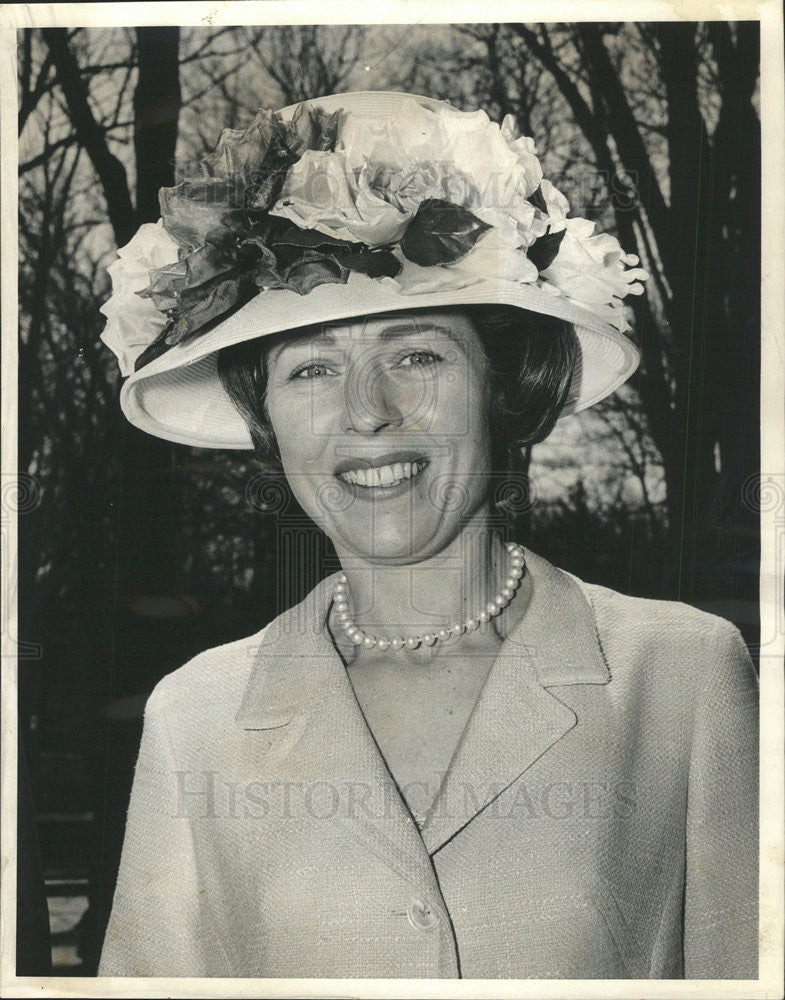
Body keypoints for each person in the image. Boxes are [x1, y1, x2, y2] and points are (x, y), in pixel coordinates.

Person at [97, 91, 758, 979]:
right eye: (312, 370)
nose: (366, 415)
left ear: (500, 387)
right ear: (270, 424)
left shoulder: (680, 673)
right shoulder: (197, 713)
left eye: (416, 355)